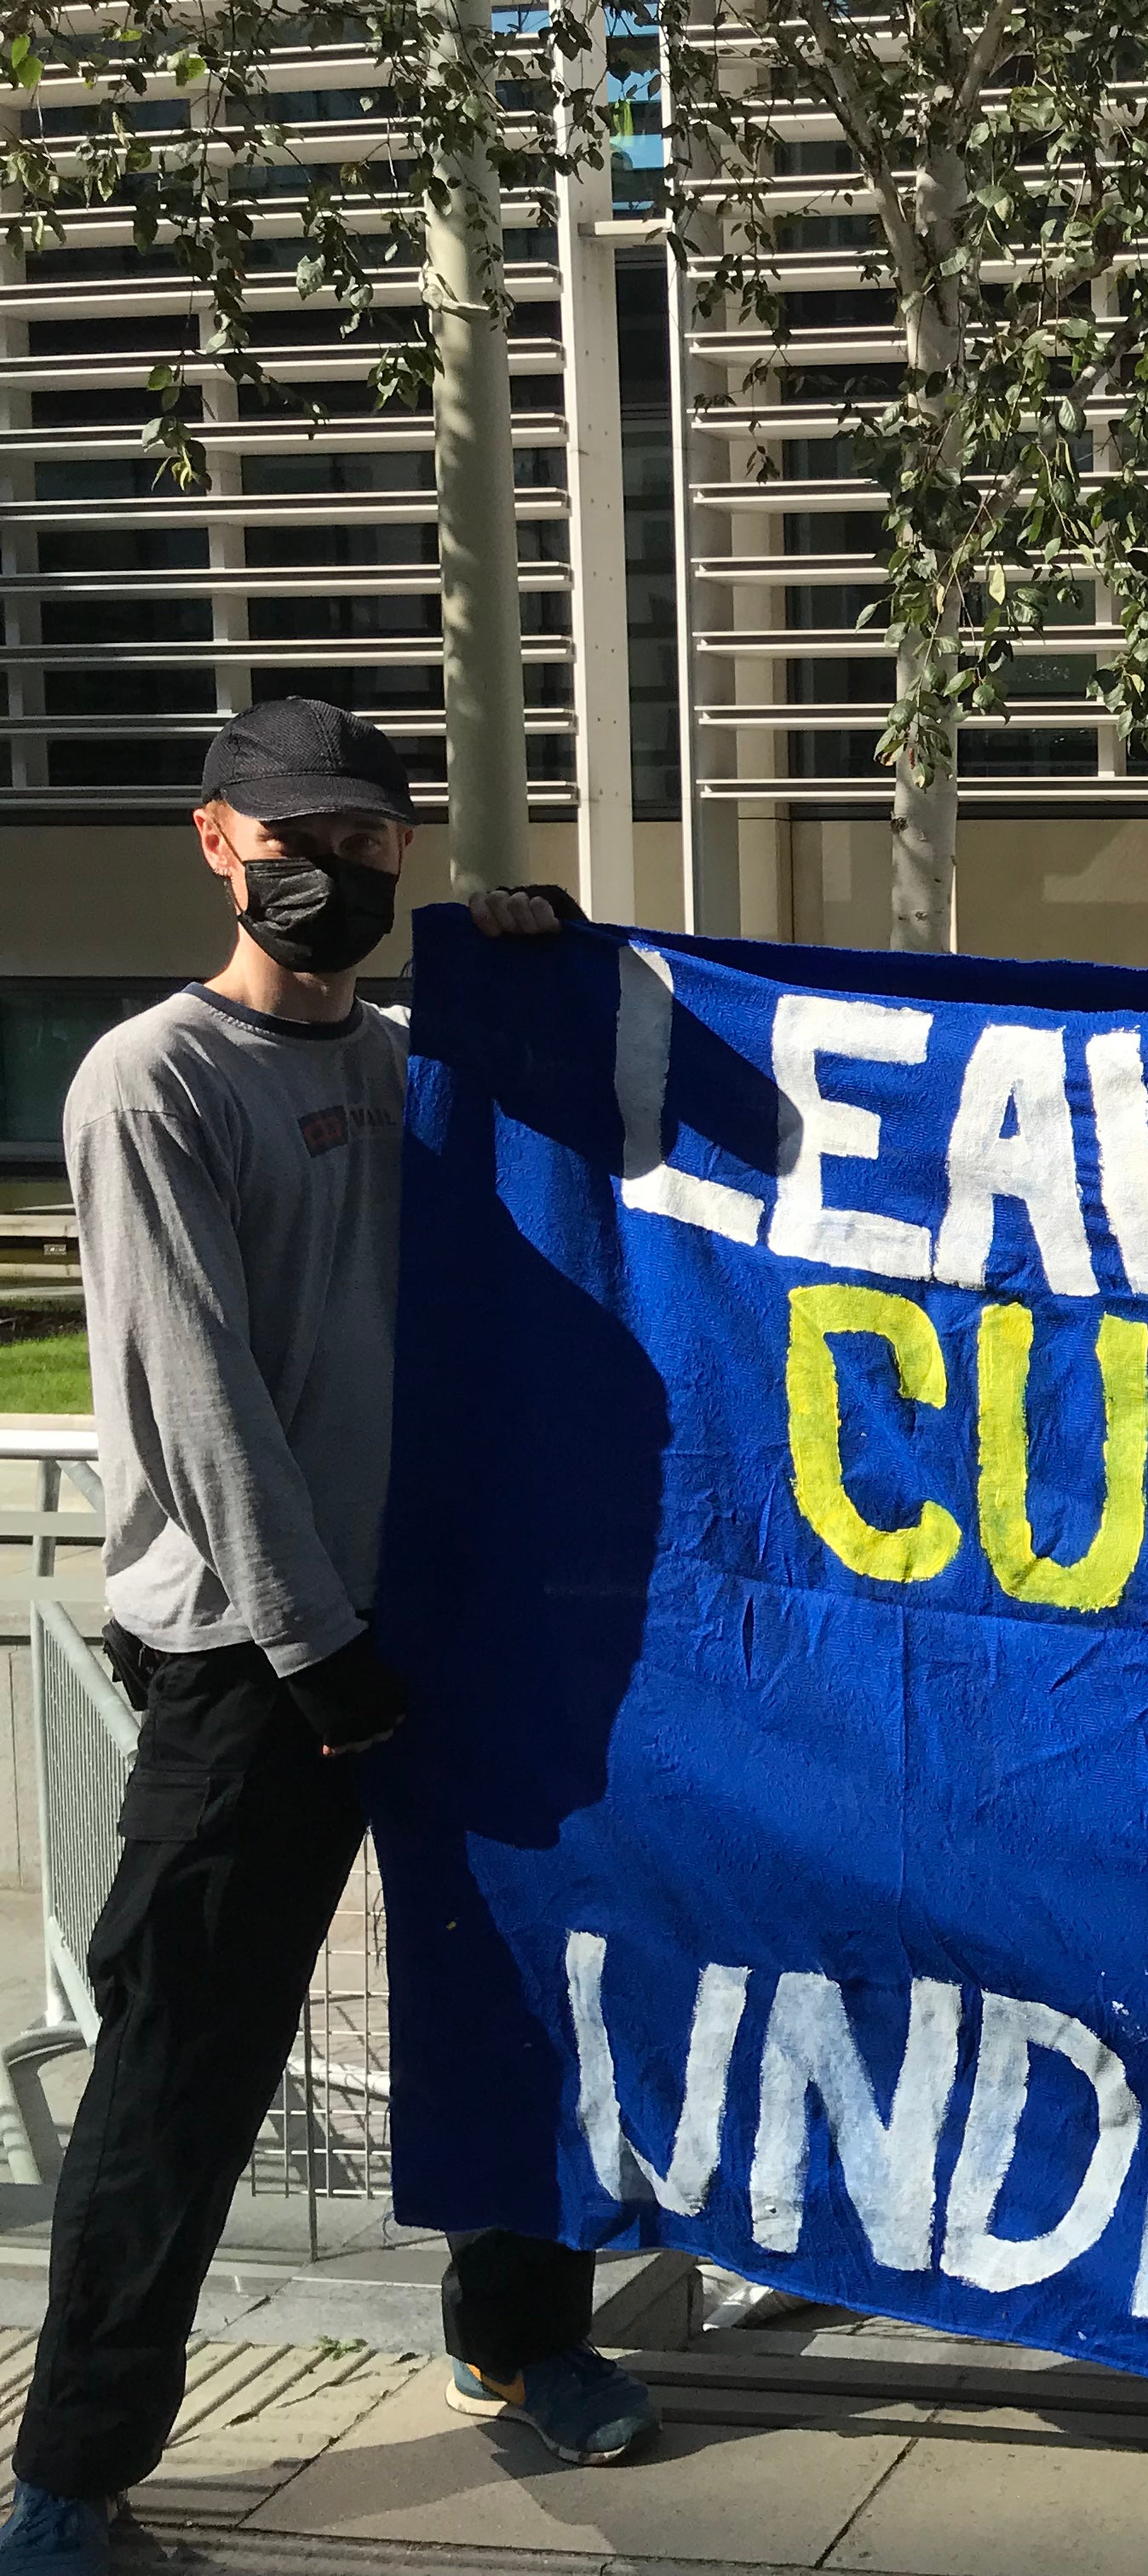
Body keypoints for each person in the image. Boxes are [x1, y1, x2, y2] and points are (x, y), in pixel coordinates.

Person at [3, 701, 660, 2576]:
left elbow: (622, 1132)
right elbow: (193, 1393)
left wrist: (554, 974)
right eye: (299, 833)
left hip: (444, 1621)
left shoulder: (404, 1063)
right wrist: (311, 1643)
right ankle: (75, 2466)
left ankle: (521, 2343)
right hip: (250, 1666)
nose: (338, 868)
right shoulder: (149, 1081)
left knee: (506, 1998)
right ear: (217, 841)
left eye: (373, 839)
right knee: (181, 2066)